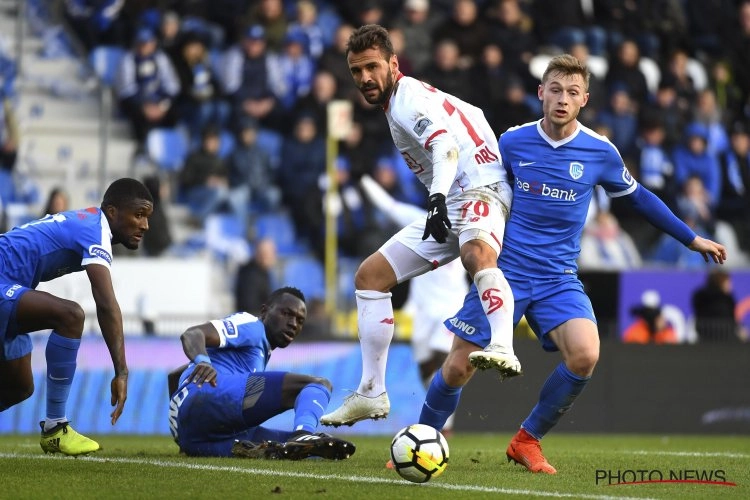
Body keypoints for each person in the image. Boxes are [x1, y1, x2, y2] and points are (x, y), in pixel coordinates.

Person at [417, 54, 727, 474]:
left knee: (585, 355)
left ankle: (527, 441)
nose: (563, 99)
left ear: (585, 99)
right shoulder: (510, 142)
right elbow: (478, 191)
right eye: (556, 90)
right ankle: (421, 441)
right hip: (504, 271)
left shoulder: (600, 151)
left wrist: (690, 238)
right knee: (456, 366)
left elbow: (638, 199)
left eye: (573, 92)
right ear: (541, 93)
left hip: (558, 278)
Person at [320, 24, 519, 428]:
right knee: (370, 277)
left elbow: (444, 147)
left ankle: (503, 345)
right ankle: (371, 391)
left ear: (393, 64)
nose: (364, 79)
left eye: (372, 67)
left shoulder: (407, 99)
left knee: (475, 254)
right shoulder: (400, 102)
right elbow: (469, 121)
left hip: (479, 188)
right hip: (453, 195)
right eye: (356, 71)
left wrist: (437, 199)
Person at [0, 178, 154, 456]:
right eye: (139, 214)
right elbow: (106, 304)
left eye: (147, 217)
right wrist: (121, 371)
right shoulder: (95, 229)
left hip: (11, 285)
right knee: (70, 316)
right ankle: (55, 429)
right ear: (112, 211)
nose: (145, 225)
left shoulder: (90, 222)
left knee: (20, 386)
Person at [166, 287, 356, 460]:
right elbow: (193, 334)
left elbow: (174, 376)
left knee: (297, 451)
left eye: (299, 320)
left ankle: (299, 444)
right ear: (265, 312)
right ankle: (303, 433)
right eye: (286, 313)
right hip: (213, 397)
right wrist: (203, 361)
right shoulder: (251, 326)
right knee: (316, 385)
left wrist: (180, 430)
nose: (293, 324)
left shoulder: (255, 353)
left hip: (196, 438)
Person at [691, 270, 743, 343]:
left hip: (703, 336)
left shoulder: (699, 295)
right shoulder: (726, 299)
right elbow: (731, 319)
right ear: (721, 282)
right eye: (728, 282)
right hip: (726, 337)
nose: (730, 285)